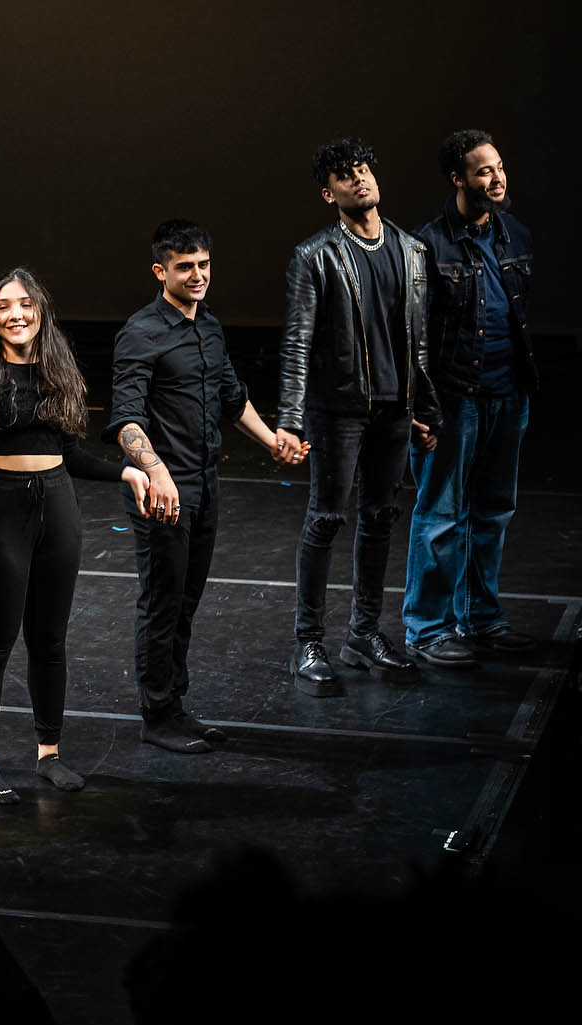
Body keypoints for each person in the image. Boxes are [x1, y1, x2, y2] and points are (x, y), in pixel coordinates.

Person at [0, 269, 151, 804]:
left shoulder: (61, 372)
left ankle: (49, 753)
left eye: (25, 304)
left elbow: (71, 454)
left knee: (50, 641)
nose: (16, 314)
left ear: (40, 311)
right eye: (5, 306)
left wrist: (124, 471)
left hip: (58, 508)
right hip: (0, 512)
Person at [105, 220, 293, 754]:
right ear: (159, 271)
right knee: (162, 603)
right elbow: (124, 419)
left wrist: (271, 440)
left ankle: (176, 706)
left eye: (203, 265)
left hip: (204, 484)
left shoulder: (209, 326)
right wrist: (157, 472)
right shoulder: (140, 332)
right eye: (184, 267)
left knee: (186, 602)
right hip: (163, 489)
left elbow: (231, 398)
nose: (197, 275)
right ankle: (156, 714)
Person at [276, 138, 442, 696]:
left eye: (364, 169)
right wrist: (292, 421)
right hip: (338, 410)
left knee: (379, 518)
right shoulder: (315, 255)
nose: (360, 180)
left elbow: (420, 343)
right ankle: (309, 641)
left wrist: (422, 407)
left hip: (395, 408)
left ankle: (364, 634)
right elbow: (297, 344)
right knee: (326, 519)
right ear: (330, 193)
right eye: (345, 176)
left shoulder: (413, 251)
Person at [407, 130, 537, 664]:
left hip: (508, 394)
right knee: (440, 515)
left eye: (499, 166)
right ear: (458, 179)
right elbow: (412, 337)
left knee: (493, 512)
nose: (497, 178)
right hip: (453, 398)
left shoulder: (518, 238)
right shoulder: (427, 245)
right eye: (484, 170)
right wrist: (421, 406)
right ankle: (428, 629)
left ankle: (481, 618)